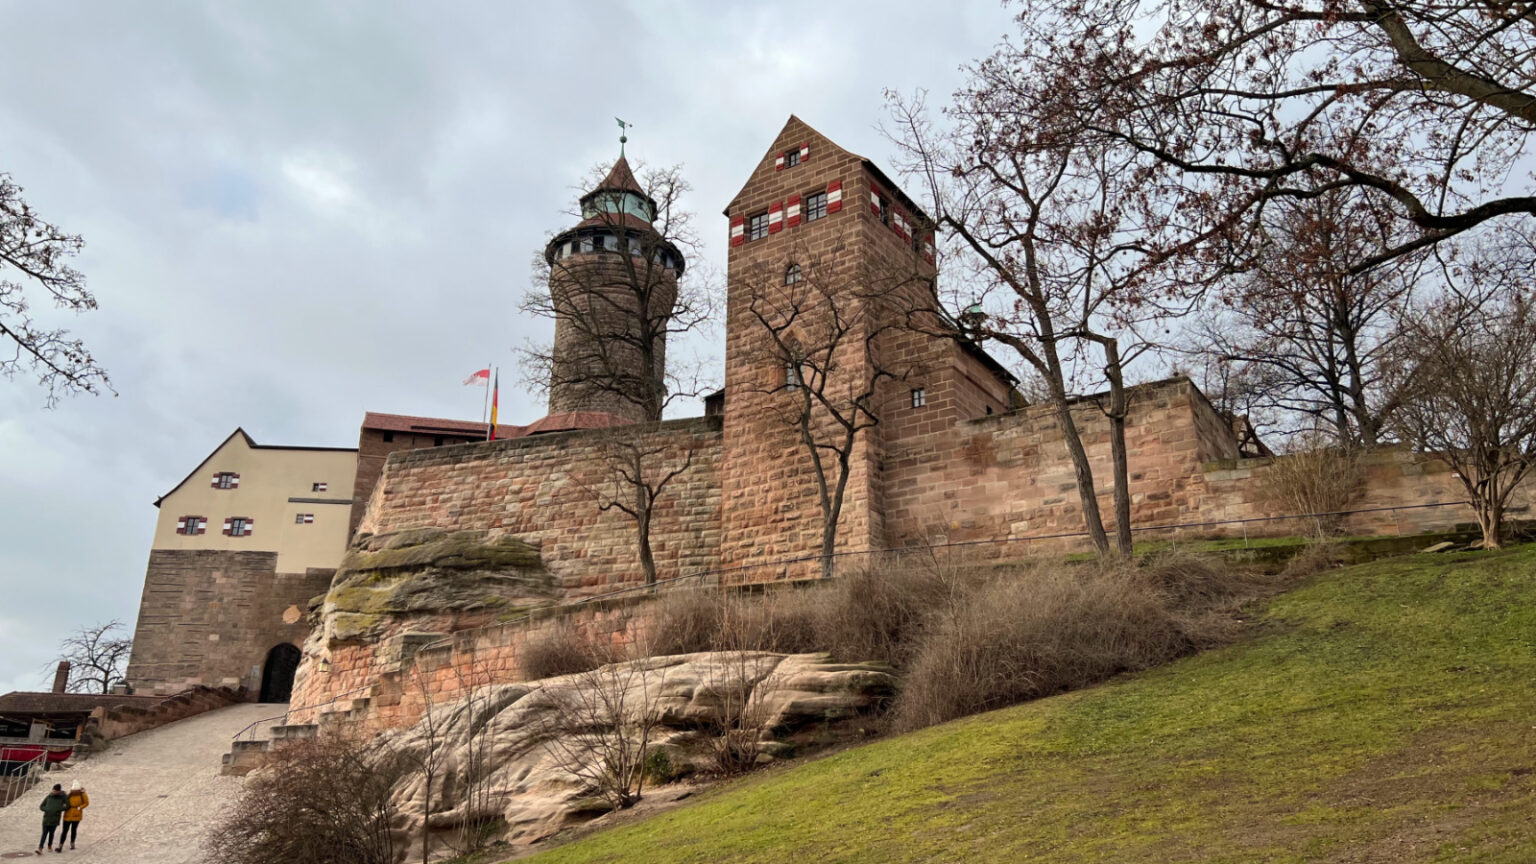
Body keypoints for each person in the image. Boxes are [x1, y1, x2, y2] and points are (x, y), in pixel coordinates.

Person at [36, 784, 67, 855]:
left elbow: (67, 806)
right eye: (53, 790)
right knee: (44, 834)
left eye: (55, 791)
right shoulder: (49, 796)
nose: (54, 792)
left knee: (51, 833)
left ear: (59, 791)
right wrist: (46, 809)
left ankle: (49, 845)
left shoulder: (63, 797)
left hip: (54, 819)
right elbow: (41, 806)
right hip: (46, 818)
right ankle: (40, 848)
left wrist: (59, 809)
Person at [59, 781, 88, 850]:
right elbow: (65, 802)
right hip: (68, 814)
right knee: (64, 830)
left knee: (73, 830)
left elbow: (86, 803)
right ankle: (61, 844)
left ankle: (72, 843)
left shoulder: (83, 795)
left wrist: (80, 807)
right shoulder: (70, 794)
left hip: (76, 814)